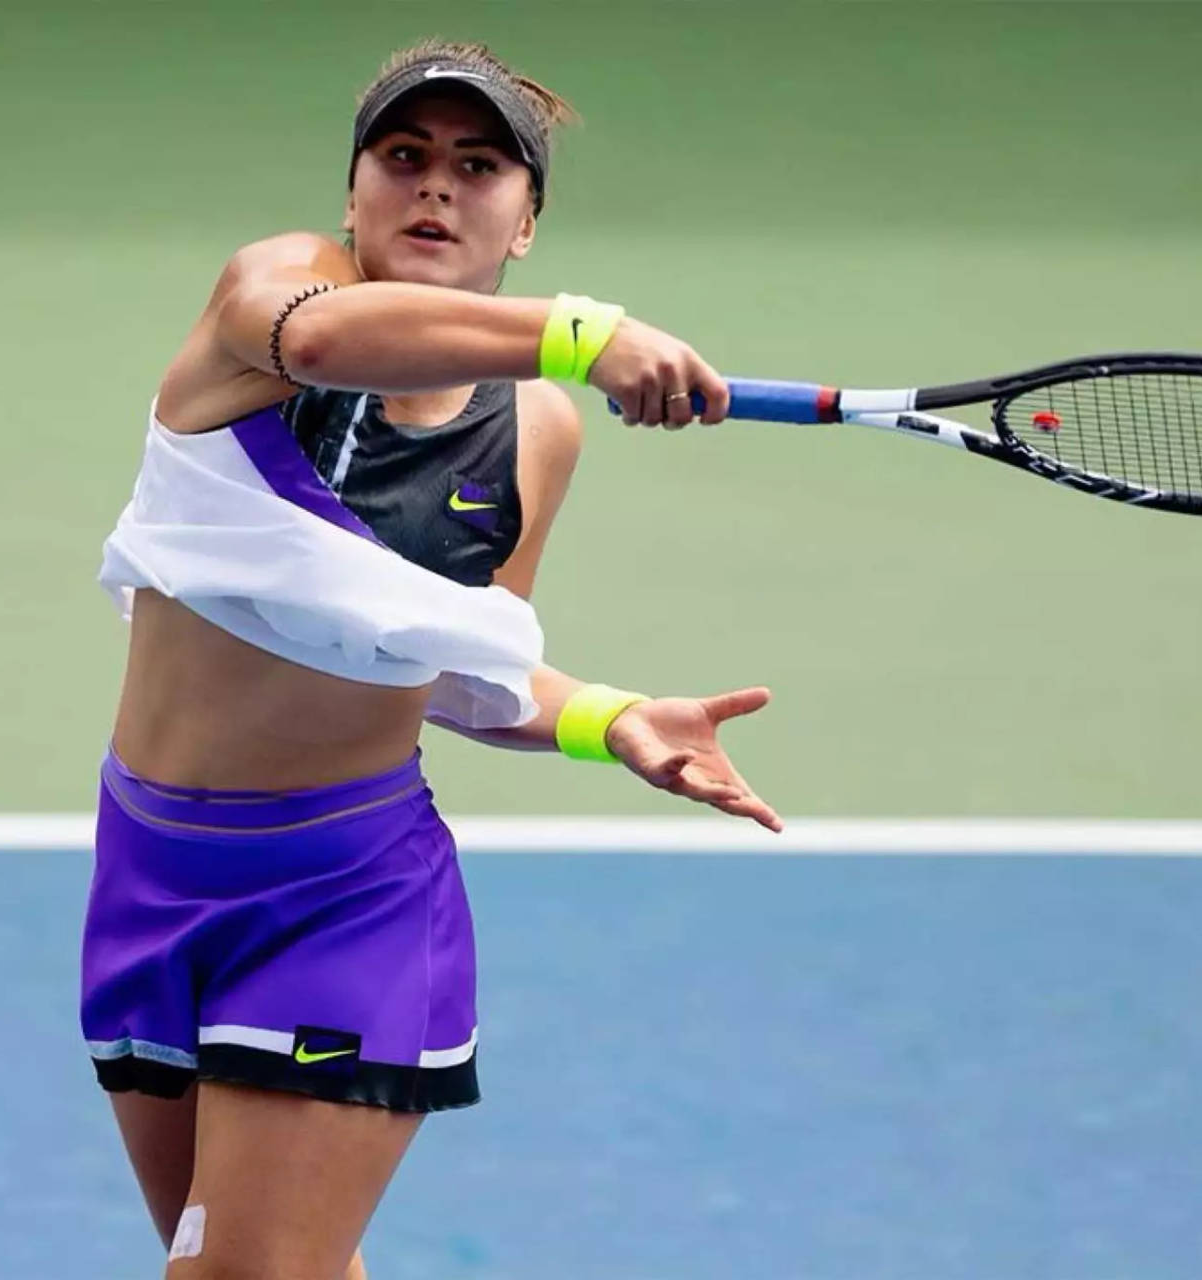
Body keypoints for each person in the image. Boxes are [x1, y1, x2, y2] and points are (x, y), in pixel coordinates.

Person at [84, 38, 781, 1279]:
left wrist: (609, 716)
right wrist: (580, 332)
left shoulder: (535, 432)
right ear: (352, 194)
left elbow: (460, 663)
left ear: (525, 220)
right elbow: (328, 338)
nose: (436, 188)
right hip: (152, 872)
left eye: (478, 166)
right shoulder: (271, 299)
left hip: (346, 893)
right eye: (403, 157)